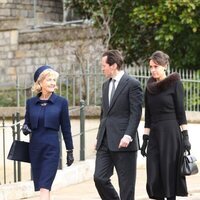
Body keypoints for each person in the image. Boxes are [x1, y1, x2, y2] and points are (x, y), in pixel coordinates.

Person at [141, 50, 191, 200]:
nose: (152, 70)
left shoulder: (175, 84)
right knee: (154, 175)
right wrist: (145, 139)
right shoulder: (149, 88)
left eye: (156, 66)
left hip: (171, 135)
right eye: (150, 67)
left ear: (165, 66)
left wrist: (186, 137)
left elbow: (181, 113)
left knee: (168, 174)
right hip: (155, 135)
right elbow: (148, 116)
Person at [94, 50, 143, 200]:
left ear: (113, 65)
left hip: (124, 142)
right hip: (105, 141)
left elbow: (136, 113)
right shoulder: (105, 85)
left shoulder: (133, 84)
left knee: (126, 186)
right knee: (99, 178)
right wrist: (99, 137)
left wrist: (128, 135)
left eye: (104, 65)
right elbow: (105, 115)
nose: (102, 68)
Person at [22, 65, 74, 200]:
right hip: (35, 149)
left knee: (45, 185)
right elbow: (26, 123)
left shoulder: (61, 103)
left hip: (51, 149)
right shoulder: (31, 103)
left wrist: (70, 150)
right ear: (40, 83)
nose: (52, 83)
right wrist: (25, 128)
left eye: (54, 80)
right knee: (41, 186)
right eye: (49, 80)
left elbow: (66, 128)